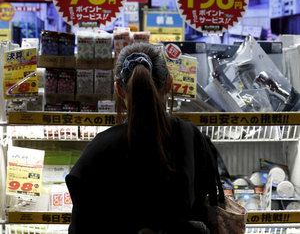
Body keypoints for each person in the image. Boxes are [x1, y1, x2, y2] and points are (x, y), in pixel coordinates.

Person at [66, 42, 220, 234]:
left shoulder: (98, 151)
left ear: (119, 90)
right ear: (169, 84)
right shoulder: (194, 139)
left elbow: (81, 227)